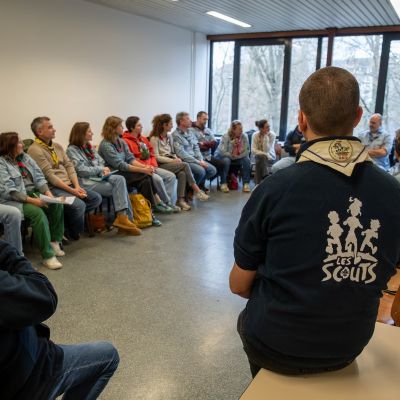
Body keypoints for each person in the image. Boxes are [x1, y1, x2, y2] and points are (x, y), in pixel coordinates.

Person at [230, 66, 400, 378]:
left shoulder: (273, 189)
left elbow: (238, 285)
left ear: (302, 119)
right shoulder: (394, 192)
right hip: (349, 345)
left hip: (273, 346)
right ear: (358, 116)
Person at [0, 239, 119, 400]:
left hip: (19, 360)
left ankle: (55, 241)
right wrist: (7, 250)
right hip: (29, 376)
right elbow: (45, 295)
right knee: (109, 356)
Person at [28, 117, 102, 240]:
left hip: (70, 184)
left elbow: (69, 166)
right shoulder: (34, 150)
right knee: (79, 206)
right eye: (50, 127)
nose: (54, 129)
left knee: (95, 198)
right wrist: (73, 191)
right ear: (39, 132)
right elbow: (50, 176)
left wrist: (77, 186)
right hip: (53, 188)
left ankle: (65, 223)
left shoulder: (57, 146)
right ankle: (71, 231)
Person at [0, 132, 65, 269]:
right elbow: (11, 191)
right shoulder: (2, 162)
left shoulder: (25, 157)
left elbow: (39, 177)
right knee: (37, 213)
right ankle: (48, 256)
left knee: (56, 205)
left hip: (32, 193)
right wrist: (33, 201)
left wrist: (48, 194)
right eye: (19, 142)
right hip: (14, 200)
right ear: (10, 146)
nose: (23, 145)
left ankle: (54, 241)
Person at [66, 122, 141, 235]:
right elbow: (82, 170)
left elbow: (101, 161)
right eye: (89, 131)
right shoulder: (71, 150)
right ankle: (126, 220)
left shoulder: (89, 146)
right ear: (81, 134)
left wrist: (103, 169)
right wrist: (100, 169)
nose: (92, 133)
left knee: (120, 179)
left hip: (98, 177)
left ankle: (123, 219)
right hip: (86, 181)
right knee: (120, 188)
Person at [98, 116, 163, 226]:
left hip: (125, 172)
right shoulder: (105, 145)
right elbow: (120, 165)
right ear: (113, 128)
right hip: (114, 174)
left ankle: (148, 212)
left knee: (146, 178)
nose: (122, 128)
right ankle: (153, 207)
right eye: (120, 126)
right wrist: (143, 170)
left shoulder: (121, 141)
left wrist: (145, 167)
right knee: (144, 176)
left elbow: (130, 159)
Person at [149, 114, 209, 210]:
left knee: (182, 174)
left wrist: (176, 158)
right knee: (185, 165)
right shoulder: (154, 139)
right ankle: (197, 190)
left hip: (171, 163)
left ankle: (180, 201)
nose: (172, 126)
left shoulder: (169, 137)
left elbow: (173, 152)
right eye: (170, 124)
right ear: (164, 125)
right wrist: (173, 160)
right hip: (161, 165)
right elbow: (156, 157)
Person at [122, 116, 179, 212]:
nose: (142, 127)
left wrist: (153, 165)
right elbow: (131, 159)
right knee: (158, 179)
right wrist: (146, 167)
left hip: (151, 166)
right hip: (141, 169)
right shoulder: (125, 141)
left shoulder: (144, 139)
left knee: (171, 176)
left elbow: (152, 154)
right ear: (132, 128)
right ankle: (165, 202)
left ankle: (165, 203)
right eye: (139, 125)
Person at [172, 112, 217, 189]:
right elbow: (181, 154)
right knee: (201, 171)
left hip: (195, 159)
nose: (190, 120)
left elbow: (196, 147)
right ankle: (192, 190)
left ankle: (191, 188)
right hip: (186, 161)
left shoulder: (190, 132)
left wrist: (201, 160)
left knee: (212, 170)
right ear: (181, 121)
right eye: (187, 119)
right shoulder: (175, 135)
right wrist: (198, 162)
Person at [215, 120, 251, 193]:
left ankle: (246, 183)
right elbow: (222, 152)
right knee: (226, 160)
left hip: (237, 157)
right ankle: (223, 183)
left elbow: (247, 151)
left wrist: (236, 156)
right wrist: (232, 147)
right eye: (239, 129)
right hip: (225, 157)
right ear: (233, 130)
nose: (242, 131)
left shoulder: (244, 136)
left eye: (242, 129)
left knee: (247, 160)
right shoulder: (225, 136)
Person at [191, 111, 224, 188]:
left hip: (208, 156)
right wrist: (208, 145)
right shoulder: (191, 130)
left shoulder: (208, 130)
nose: (206, 121)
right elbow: (197, 146)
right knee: (206, 168)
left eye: (207, 119)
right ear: (198, 118)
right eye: (204, 119)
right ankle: (198, 185)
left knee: (222, 164)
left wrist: (204, 143)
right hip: (197, 156)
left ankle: (201, 182)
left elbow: (214, 143)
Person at [251, 119, 277, 184]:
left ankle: (257, 183)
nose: (269, 129)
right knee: (261, 157)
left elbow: (267, 150)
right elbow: (253, 150)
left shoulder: (272, 135)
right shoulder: (255, 135)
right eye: (267, 127)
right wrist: (264, 154)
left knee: (260, 159)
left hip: (270, 157)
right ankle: (265, 177)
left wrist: (265, 138)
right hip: (259, 156)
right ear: (261, 129)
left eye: (269, 126)